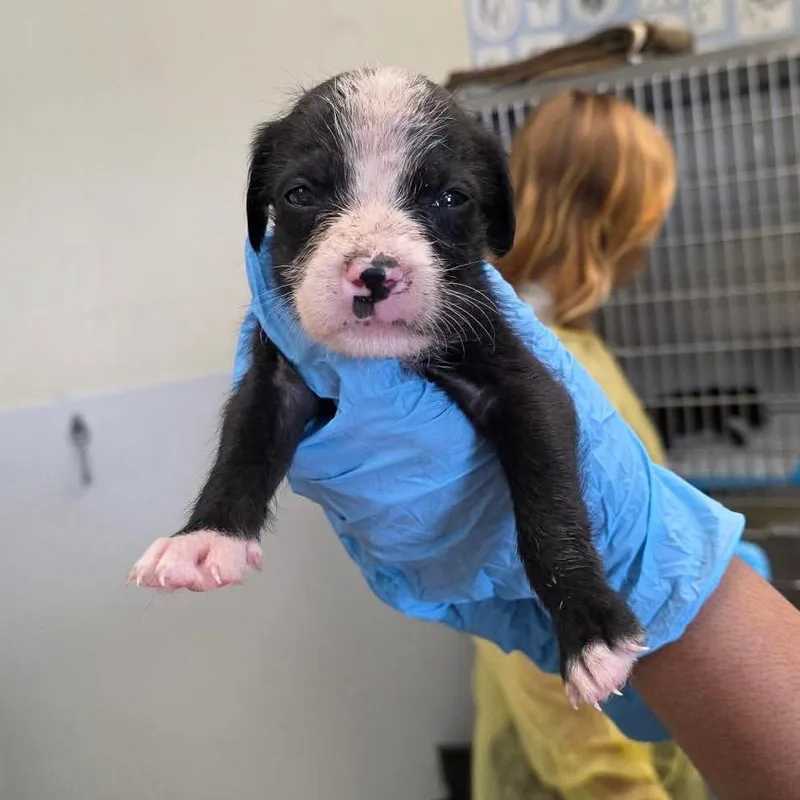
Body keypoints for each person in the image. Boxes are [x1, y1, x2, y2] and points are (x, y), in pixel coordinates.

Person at [471, 90, 770, 800]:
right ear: (623, 218)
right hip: (589, 764)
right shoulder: (536, 366)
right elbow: (535, 605)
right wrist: (616, 785)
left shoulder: (550, 344)